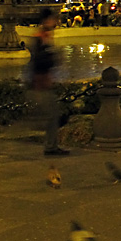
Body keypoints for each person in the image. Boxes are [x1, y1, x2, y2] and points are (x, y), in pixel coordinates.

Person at [27, 8, 69, 156]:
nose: (55, 22)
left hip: (44, 81)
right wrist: (52, 57)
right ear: (46, 21)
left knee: (52, 115)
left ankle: (51, 145)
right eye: (52, 19)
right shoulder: (40, 38)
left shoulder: (45, 36)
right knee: (52, 115)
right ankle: (50, 147)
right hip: (41, 82)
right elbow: (38, 61)